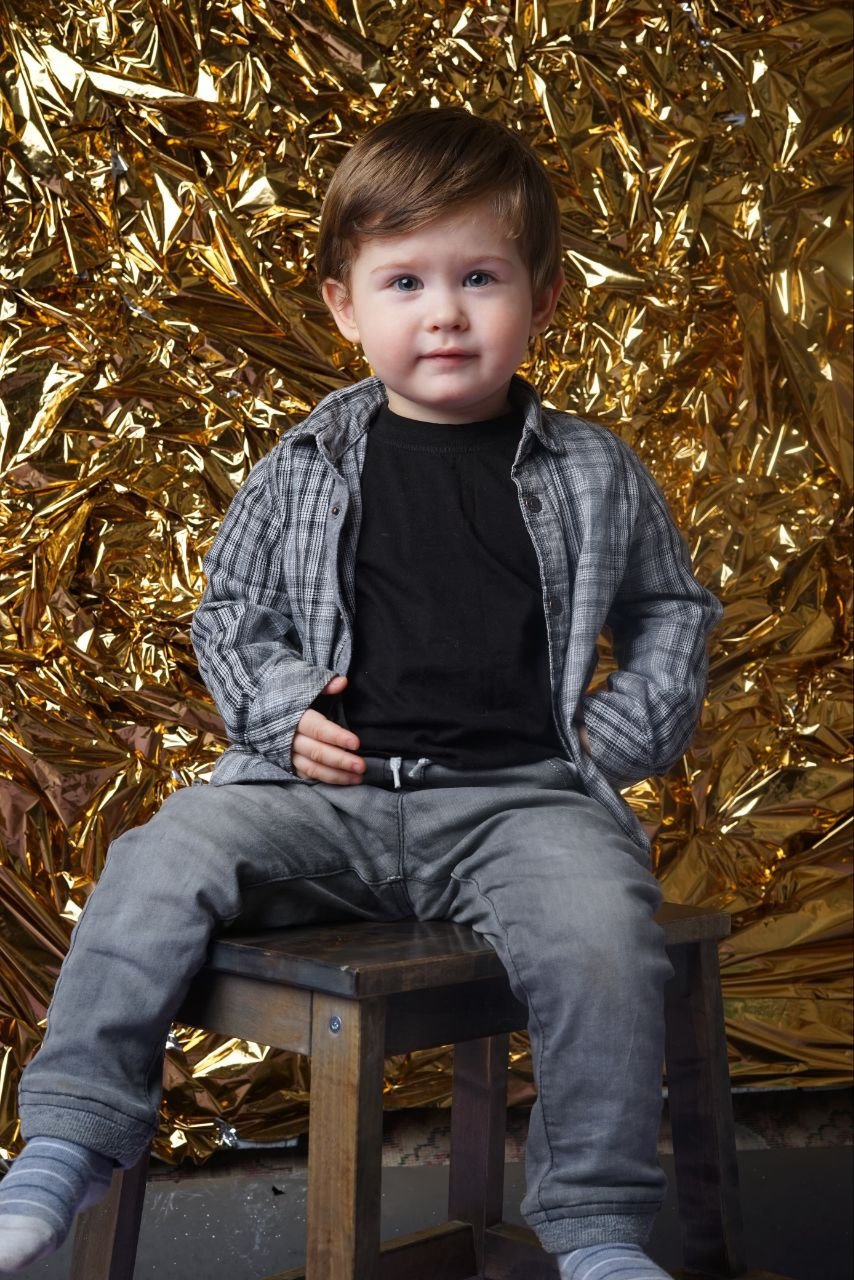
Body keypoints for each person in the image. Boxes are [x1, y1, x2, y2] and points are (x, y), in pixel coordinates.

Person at [0, 105, 723, 1279]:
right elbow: (230, 613)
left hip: (517, 803)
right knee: (161, 852)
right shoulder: (304, 465)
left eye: (479, 277)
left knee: (602, 933)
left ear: (542, 299)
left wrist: (618, 728)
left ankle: (595, 1225)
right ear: (345, 306)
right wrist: (282, 713)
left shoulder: (594, 468)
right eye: (404, 281)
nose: (443, 312)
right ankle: (67, 1140)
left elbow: (670, 610)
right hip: (320, 803)